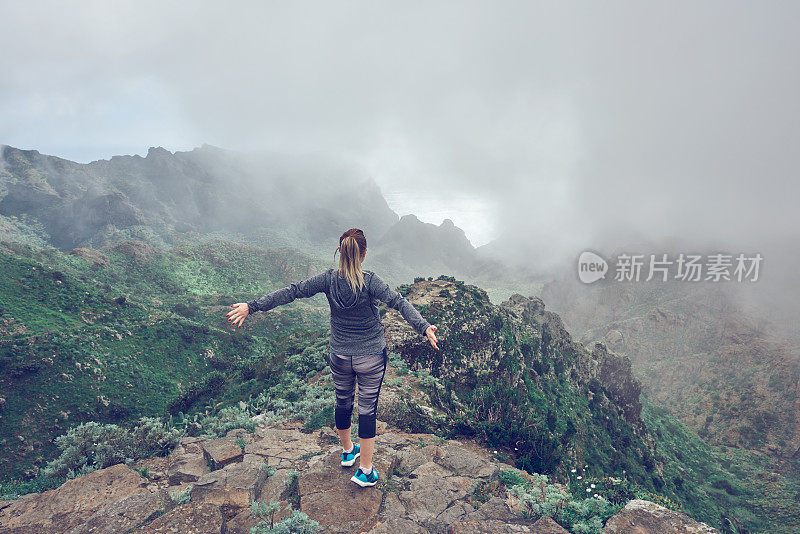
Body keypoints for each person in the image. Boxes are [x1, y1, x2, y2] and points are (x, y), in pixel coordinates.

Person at [226, 228, 438, 487]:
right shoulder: (371, 281)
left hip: (339, 355)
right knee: (367, 410)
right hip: (370, 355)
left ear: (340, 252)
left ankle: (349, 450)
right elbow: (399, 302)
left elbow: (292, 292)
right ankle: (366, 470)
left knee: (343, 402)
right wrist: (423, 326)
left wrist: (252, 306)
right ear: (364, 254)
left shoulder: (328, 279)